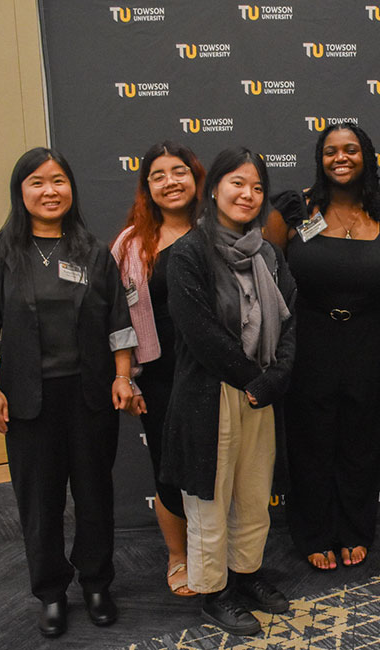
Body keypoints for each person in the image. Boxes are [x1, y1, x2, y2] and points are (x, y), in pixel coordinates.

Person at [0, 147, 136, 637]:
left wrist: (122, 376)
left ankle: (97, 583)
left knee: (94, 494)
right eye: (37, 182)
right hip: (26, 401)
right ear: (21, 192)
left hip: (90, 397)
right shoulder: (1, 253)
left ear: (71, 189)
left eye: (58, 181)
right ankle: (51, 592)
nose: (49, 191)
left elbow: (118, 324)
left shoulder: (93, 251)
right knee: (38, 501)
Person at [160, 147, 296, 636]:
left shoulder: (268, 254)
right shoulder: (187, 254)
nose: (248, 194)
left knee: (254, 496)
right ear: (213, 188)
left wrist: (274, 379)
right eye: (238, 183)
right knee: (211, 503)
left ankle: (246, 577)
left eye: (257, 187)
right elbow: (201, 335)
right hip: (209, 396)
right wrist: (256, 380)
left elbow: (288, 320)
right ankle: (214, 592)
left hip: (258, 394)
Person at [264, 123, 380, 572]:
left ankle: (354, 530)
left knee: (361, 441)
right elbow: (263, 276)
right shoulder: (294, 208)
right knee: (310, 442)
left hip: (370, 341)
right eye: (330, 151)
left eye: (350, 149)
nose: (340, 158)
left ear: (367, 155)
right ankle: (314, 533)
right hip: (308, 340)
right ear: (319, 158)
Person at [110, 141, 205, 597]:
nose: (171, 181)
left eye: (179, 171)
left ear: (196, 177)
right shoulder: (130, 244)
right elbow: (116, 319)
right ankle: (178, 556)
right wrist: (125, 375)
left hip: (215, 372)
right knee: (168, 469)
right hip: (161, 375)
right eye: (159, 175)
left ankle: (216, 554)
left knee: (218, 466)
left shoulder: (218, 232)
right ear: (146, 187)